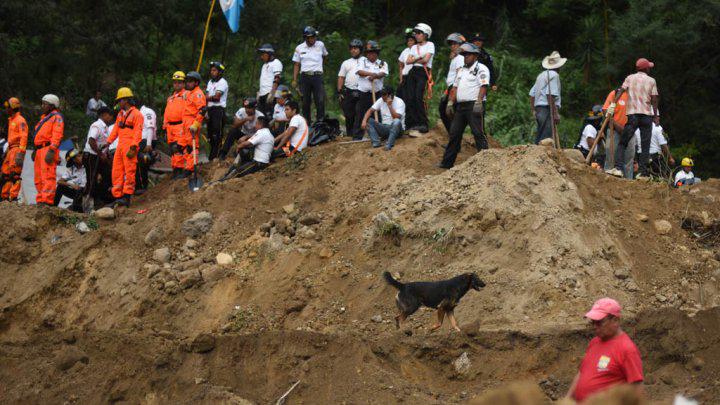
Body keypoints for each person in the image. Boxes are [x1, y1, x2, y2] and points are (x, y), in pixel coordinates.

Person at [565, 298, 644, 402]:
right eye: (593, 322)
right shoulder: (594, 342)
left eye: (599, 323)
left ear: (615, 320)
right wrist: (567, 399)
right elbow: (581, 373)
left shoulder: (627, 349)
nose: (595, 327)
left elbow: (637, 388)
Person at [607, 58, 660, 180]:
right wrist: (655, 116)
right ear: (646, 68)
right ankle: (643, 173)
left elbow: (621, 90)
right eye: (648, 68)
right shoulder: (651, 80)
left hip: (633, 116)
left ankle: (618, 169)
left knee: (623, 142)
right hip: (646, 116)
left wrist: (613, 103)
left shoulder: (630, 78)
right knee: (645, 145)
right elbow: (654, 99)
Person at [438, 43, 490, 169]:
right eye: (464, 54)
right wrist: (450, 102)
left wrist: (479, 101)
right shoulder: (461, 70)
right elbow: (455, 88)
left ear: (475, 56)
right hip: (460, 107)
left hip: (474, 104)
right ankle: (447, 163)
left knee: (478, 133)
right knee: (454, 134)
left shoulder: (481, 69)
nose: (465, 57)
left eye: (468, 54)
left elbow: (483, 86)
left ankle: (486, 164)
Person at [106, 87, 143, 207]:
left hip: (129, 145)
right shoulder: (120, 114)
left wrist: (133, 147)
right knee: (117, 171)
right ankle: (118, 196)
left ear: (126, 100)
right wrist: (108, 142)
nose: (118, 103)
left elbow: (138, 131)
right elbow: (116, 130)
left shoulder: (137, 114)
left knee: (129, 171)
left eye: (120, 100)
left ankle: (127, 197)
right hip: (120, 144)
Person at [33, 94, 65, 206]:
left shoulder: (57, 117)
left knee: (48, 175)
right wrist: (35, 150)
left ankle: (47, 201)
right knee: (39, 177)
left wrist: (52, 150)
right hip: (40, 149)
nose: (42, 106)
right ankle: (41, 199)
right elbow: (39, 136)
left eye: (44, 104)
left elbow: (57, 134)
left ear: (52, 106)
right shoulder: (44, 118)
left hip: (48, 149)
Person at [292, 26, 328, 122]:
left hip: (317, 76)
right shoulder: (299, 48)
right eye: (310, 37)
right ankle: (307, 123)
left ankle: (320, 122)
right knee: (305, 102)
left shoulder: (320, 45)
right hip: (305, 77)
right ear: (305, 38)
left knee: (320, 100)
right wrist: (294, 79)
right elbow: (296, 64)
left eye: (313, 37)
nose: (312, 39)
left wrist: (319, 67)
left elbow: (325, 56)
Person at [221, 116, 275, 180]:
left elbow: (247, 143)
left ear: (260, 125)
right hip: (262, 162)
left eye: (256, 123)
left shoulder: (261, 132)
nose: (255, 126)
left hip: (258, 163)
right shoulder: (269, 134)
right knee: (244, 152)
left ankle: (222, 181)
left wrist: (238, 146)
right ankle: (228, 174)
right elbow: (250, 145)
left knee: (238, 172)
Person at [404, 23, 435, 134]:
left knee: (419, 97)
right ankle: (414, 123)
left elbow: (426, 60)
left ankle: (423, 124)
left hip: (423, 72)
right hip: (413, 72)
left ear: (426, 34)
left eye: (419, 33)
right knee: (410, 97)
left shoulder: (430, 45)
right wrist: (419, 57)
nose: (416, 35)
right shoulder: (413, 47)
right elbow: (407, 61)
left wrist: (415, 59)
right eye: (416, 33)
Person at [529, 51, 565, 144]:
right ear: (558, 66)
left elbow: (532, 94)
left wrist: (533, 110)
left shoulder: (541, 75)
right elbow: (550, 94)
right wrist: (555, 113)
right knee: (546, 139)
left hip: (539, 109)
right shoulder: (554, 75)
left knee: (541, 136)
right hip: (546, 108)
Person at [355, 41, 388, 138]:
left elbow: (383, 73)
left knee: (378, 114)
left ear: (377, 53)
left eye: (374, 52)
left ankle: (380, 135)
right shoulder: (362, 61)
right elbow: (360, 71)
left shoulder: (381, 63)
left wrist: (376, 76)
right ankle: (358, 136)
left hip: (378, 93)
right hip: (363, 93)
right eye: (369, 53)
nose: (371, 55)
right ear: (366, 53)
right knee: (361, 114)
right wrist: (371, 74)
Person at [82, 106, 114, 203]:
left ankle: (103, 198)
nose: (111, 118)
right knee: (92, 179)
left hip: (99, 155)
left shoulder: (105, 127)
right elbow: (91, 141)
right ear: (103, 115)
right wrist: (100, 154)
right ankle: (88, 202)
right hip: (91, 155)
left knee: (108, 174)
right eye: (109, 115)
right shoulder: (96, 125)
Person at [602, 88, 635, 179]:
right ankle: (607, 182)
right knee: (610, 157)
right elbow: (605, 110)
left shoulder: (636, 96)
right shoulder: (615, 93)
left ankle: (628, 183)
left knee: (629, 159)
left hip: (630, 131)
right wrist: (616, 125)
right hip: (614, 130)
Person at [1, 98, 28, 202]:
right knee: (6, 174)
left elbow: (24, 137)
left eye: (7, 107)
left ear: (12, 108)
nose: (6, 110)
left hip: (17, 149)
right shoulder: (11, 120)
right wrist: (8, 150)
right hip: (11, 149)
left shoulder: (20, 120)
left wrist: (21, 153)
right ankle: (4, 196)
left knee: (15, 175)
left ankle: (13, 197)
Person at [181, 71, 207, 177]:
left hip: (192, 122)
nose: (188, 83)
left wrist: (196, 124)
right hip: (186, 122)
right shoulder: (189, 93)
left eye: (190, 81)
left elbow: (202, 110)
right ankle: (187, 166)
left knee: (192, 146)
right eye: (187, 81)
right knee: (186, 146)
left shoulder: (198, 94)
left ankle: (191, 168)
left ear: (196, 83)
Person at [439, 33, 466, 132]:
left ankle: (454, 137)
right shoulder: (456, 57)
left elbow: (459, 76)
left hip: (455, 88)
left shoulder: (460, 58)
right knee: (446, 111)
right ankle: (453, 137)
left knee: (448, 112)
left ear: (461, 45)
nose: (452, 46)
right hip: (451, 87)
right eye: (451, 44)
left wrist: (452, 93)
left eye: (455, 44)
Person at [337, 39, 364, 139]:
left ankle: (358, 135)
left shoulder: (365, 61)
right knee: (349, 114)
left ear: (360, 49)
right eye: (351, 48)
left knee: (359, 113)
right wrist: (339, 91)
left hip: (362, 90)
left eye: (355, 48)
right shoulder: (346, 63)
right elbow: (341, 77)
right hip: (348, 90)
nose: (353, 50)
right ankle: (349, 135)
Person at [164, 71, 187, 179]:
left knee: (178, 148)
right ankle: (175, 168)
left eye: (179, 82)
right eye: (175, 82)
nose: (176, 84)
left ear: (183, 83)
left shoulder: (186, 95)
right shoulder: (170, 98)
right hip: (170, 127)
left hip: (180, 125)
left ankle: (180, 170)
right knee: (172, 149)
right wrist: (165, 126)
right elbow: (166, 113)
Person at [205, 61, 229, 161]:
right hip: (210, 109)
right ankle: (212, 155)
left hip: (218, 110)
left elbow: (217, 98)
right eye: (211, 70)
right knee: (210, 134)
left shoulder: (223, 82)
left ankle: (216, 156)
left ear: (219, 72)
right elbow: (208, 97)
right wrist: (206, 109)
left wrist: (207, 98)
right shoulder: (210, 82)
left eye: (214, 70)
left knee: (217, 134)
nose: (212, 72)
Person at [136, 103, 157, 193]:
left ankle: (143, 187)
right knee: (142, 165)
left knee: (141, 164)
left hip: (145, 140)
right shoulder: (140, 112)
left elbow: (150, 127)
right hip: (143, 140)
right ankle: (143, 186)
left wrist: (148, 144)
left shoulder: (146, 112)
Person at [257, 44, 283, 116]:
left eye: (263, 54)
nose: (261, 56)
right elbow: (264, 80)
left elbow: (277, 79)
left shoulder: (276, 62)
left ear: (269, 54)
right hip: (262, 94)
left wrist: (272, 93)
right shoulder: (264, 65)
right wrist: (259, 92)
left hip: (270, 93)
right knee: (261, 116)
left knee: (269, 116)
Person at [396, 28, 417, 101]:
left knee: (411, 97)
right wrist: (401, 79)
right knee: (401, 96)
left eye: (411, 40)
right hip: (405, 77)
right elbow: (401, 65)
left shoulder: (418, 50)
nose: (409, 42)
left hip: (414, 76)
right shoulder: (405, 51)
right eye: (408, 41)